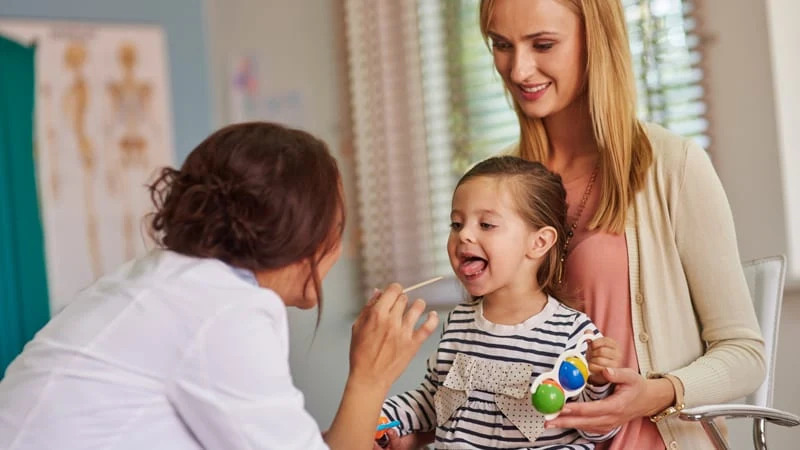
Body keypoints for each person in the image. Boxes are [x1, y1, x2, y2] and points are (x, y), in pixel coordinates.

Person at [386, 0, 766, 449]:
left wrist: (653, 394)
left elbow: (745, 355)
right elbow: (484, 387)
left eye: (542, 44)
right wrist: (401, 433)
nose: (519, 69)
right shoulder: (498, 187)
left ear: (596, 40)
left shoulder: (674, 166)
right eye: (502, 45)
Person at [0, 122, 439, 450]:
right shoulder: (224, 312)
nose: (338, 249)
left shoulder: (168, 280)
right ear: (301, 231)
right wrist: (370, 378)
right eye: (336, 227)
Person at [378, 156, 623, 449]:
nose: (464, 235)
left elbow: (596, 432)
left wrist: (597, 383)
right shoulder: (458, 323)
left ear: (539, 242)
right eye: (456, 224)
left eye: (487, 224)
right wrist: (382, 417)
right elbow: (434, 401)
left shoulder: (573, 333)